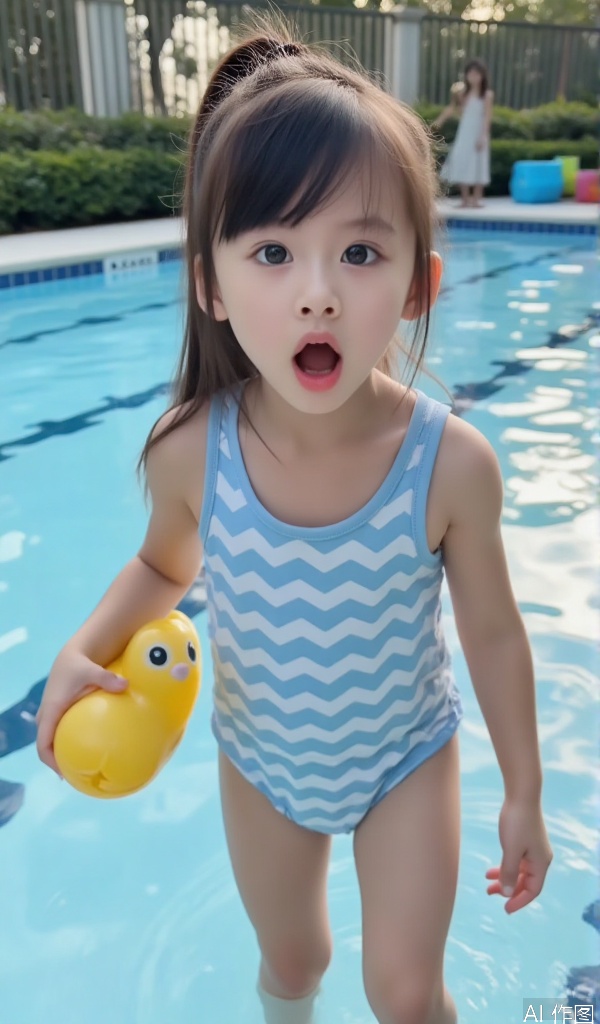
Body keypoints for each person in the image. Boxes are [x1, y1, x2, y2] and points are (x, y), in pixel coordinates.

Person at [36, 17, 552, 1024]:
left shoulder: (449, 464)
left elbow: (493, 633)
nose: (317, 295)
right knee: (296, 961)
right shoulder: (195, 451)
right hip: (263, 761)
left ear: (417, 287)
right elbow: (158, 565)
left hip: (404, 754)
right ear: (210, 286)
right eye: (273, 252)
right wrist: (79, 651)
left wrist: (523, 791)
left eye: (359, 251)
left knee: (403, 994)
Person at [432, 59, 494, 208]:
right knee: (460, 160)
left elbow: (487, 116)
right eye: (470, 73)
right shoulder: (462, 94)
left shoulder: (487, 95)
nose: (473, 77)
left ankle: (476, 199)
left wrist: (483, 136)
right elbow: (453, 109)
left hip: (478, 133)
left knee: (479, 162)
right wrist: (438, 122)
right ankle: (465, 199)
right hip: (464, 133)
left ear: (482, 76)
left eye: (476, 74)